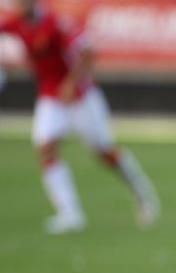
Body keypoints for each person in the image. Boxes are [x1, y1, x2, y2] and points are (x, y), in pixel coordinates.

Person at [0, 0, 159, 234]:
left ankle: (141, 190)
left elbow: (87, 52)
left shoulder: (55, 24)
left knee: (103, 151)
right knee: (46, 148)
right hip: (50, 97)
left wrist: (71, 82)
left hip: (81, 97)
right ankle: (70, 213)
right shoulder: (17, 23)